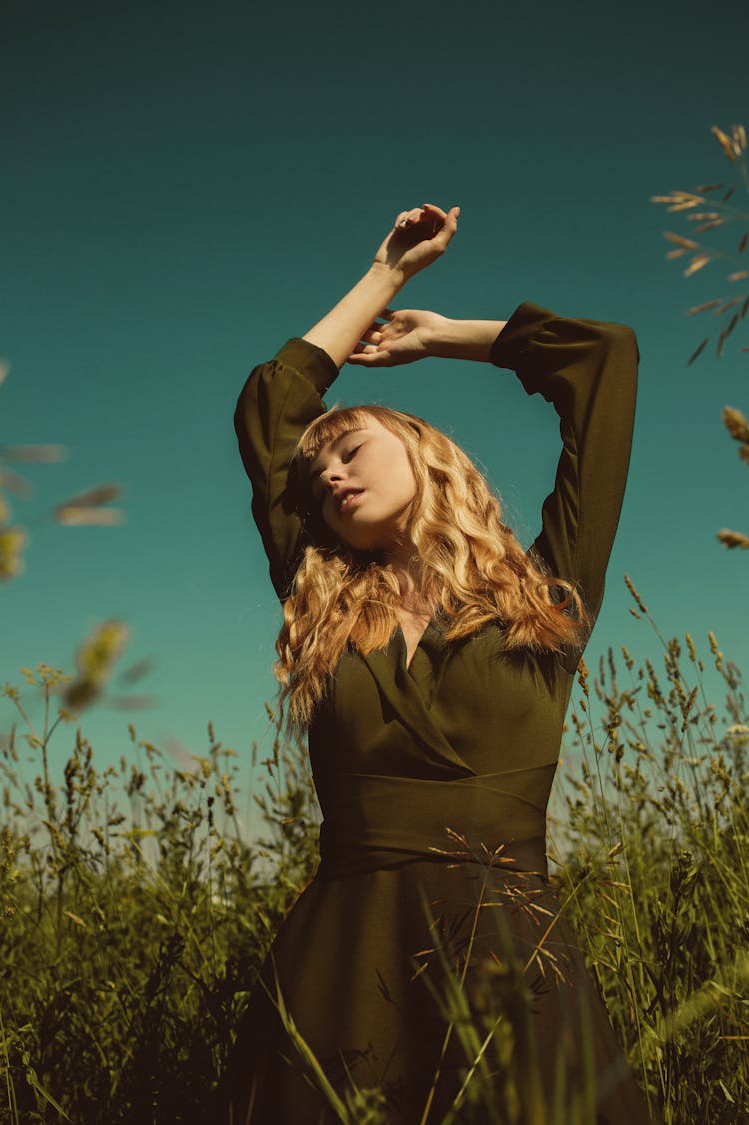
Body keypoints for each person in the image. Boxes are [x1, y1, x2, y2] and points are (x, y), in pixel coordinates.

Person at [225, 204, 656, 1123]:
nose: (329, 476)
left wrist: (444, 334)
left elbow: (603, 358)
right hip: (342, 959)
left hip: (515, 956)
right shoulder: (321, 595)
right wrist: (384, 276)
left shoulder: (547, 593)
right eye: (318, 480)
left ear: (428, 451)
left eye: (348, 449)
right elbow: (273, 403)